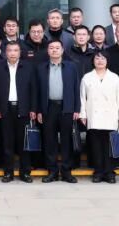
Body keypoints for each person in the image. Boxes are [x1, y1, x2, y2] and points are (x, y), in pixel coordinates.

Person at [36, 40, 82, 183]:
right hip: (48, 107)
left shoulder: (71, 67)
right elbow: (37, 91)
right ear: (48, 51)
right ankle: (52, 171)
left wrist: (77, 108)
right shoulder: (41, 68)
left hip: (67, 107)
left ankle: (67, 171)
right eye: (51, 48)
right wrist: (38, 110)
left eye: (57, 48)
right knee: (50, 141)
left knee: (67, 140)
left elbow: (77, 88)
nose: (54, 50)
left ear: (62, 50)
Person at [79, 52, 119, 184]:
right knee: (96, 146)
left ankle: (109, 172)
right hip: (93, 116)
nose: (100, 61)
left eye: (103, 58)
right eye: (97, 58)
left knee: (109, 146)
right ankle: (98, 172)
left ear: (107, 61)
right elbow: (82, 98)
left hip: (110, 116)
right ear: (93, 61)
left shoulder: (114, 77)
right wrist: (83, 114)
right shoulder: (87, 77)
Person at [0, 42, 36, 183]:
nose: (12, 53)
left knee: (24, 143)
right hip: (5, 110)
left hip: (23, 109)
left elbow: (33, 90)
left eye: (15, 50)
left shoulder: (28, 67)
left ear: (19, 52)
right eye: (10, 50)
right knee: (7, 143)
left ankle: (25, 172)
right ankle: (8, 172)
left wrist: (33, 109)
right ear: (5, 52)